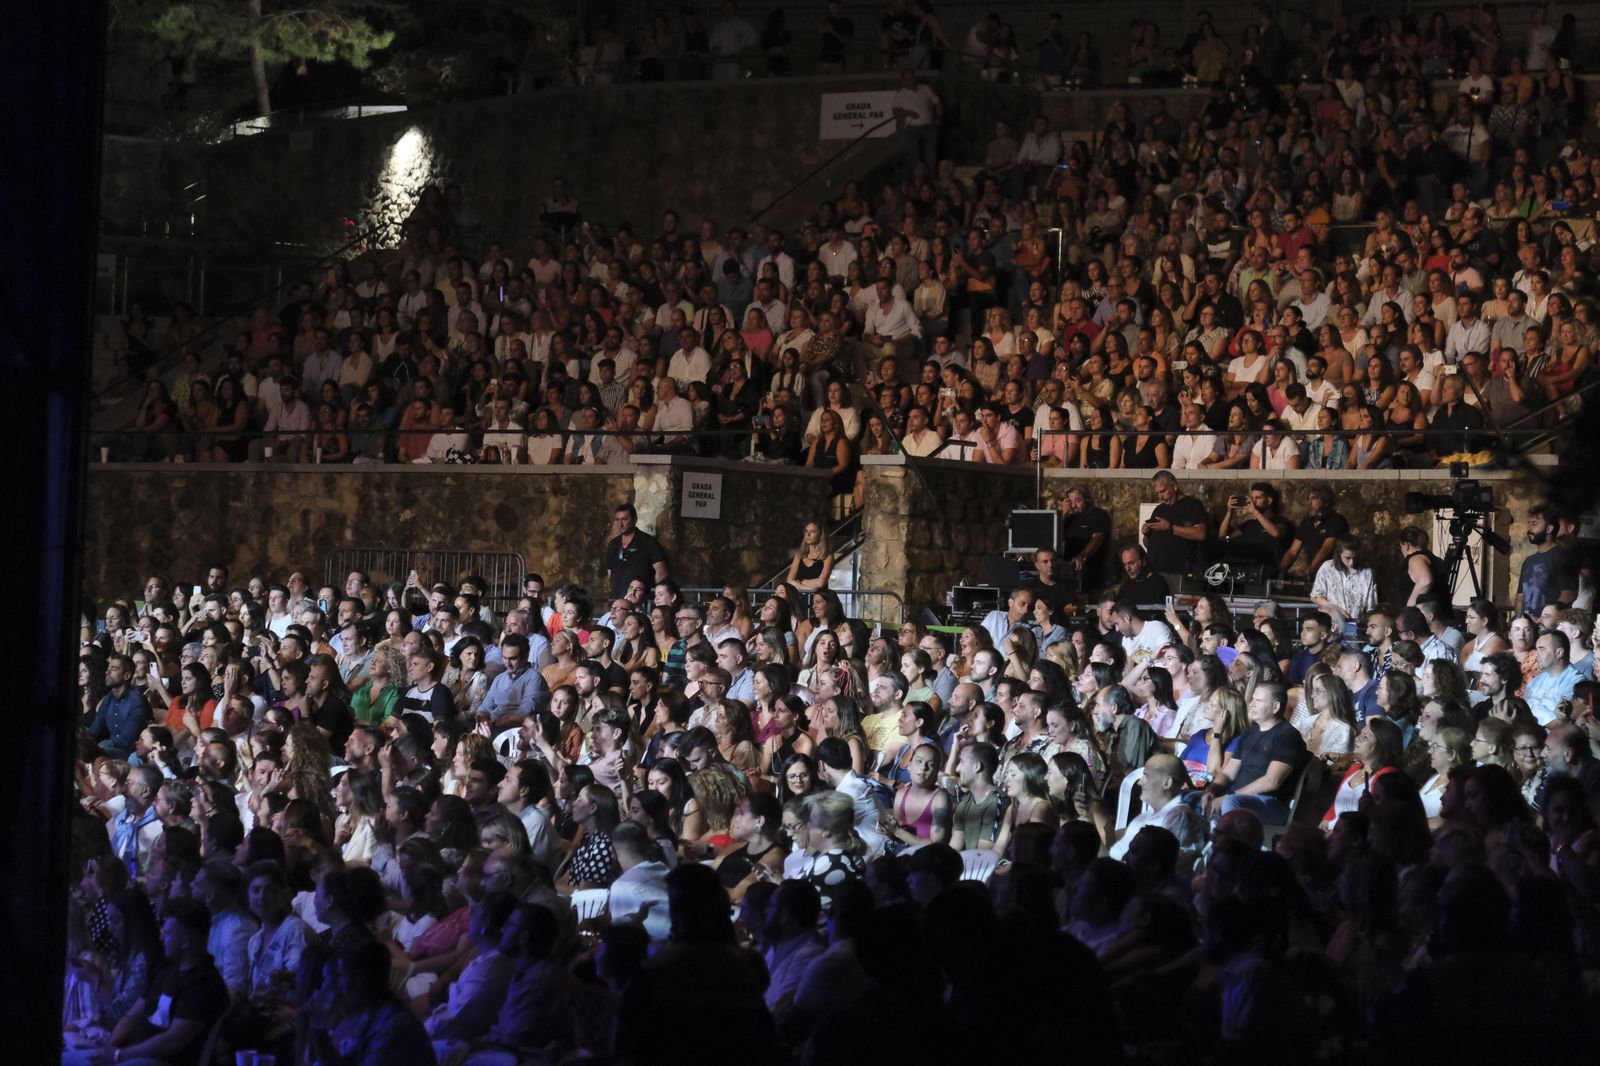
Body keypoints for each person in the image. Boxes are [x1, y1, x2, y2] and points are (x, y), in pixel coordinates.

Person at [1199, 682, 1308, 824]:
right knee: (1192, 798)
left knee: (1230, 803)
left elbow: (1272, 782)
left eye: (1258, 701)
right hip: (1237, 796)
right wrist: (1211, 790)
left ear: (1275, 707)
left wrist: (1230, 796)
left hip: (1270, 802)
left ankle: (1225, 837)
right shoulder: (1250, 733)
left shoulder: (1287, 735)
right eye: (1252, 699)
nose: (1251, 704)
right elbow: (1227, 774)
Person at [1108, 753, 1205, 875]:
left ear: (1167, 783)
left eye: (1146, 776)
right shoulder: (1146, 815)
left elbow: (1159, 868)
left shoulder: (1178, 816)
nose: (1139, 782)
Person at [1142, 471, 1209, 578]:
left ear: (1174, 486)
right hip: (1154, 571)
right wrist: (1146, 534)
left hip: (1177, 572)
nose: (1161, 496)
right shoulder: (1159, 509)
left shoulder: (1193, 505)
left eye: (1163, 491)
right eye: (1158, 493)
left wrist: (1170, 527)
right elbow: (1149, 545)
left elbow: (1201, 534)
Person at [602, 503, 668, 601]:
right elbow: (610, 572)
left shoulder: (648, 542)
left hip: (640, 601)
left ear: (634, 520)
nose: (620, 524)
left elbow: (661, 573)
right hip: (617, 600)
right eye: (618, 520)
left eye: (624, 519)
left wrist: (654, 596)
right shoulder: (613, 544)